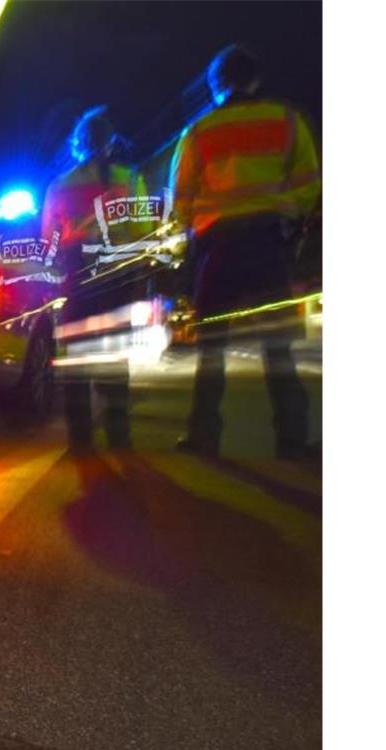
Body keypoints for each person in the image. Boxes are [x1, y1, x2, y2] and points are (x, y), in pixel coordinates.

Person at [169, 44, 321, 459]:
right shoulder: (287, 120)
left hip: (219, 247)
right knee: (278, 345)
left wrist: (197, 228)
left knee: (212, 346)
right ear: (257, 79)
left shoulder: (199, 132)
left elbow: (181, 198)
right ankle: (292, 440)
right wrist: (288, 214)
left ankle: (204, 438)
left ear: (216, 85)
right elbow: (309, 182)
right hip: (270, 242)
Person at [43, 106, 158, 454]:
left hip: (78, 273)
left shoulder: (60, 185)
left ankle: (80, 441)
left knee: (78, 356)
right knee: (115, 356)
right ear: (111, 143)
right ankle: (119, 434)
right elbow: (143, 231)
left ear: (77, 144)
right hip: (118, 273)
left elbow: (50, 237)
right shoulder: (129, 178)